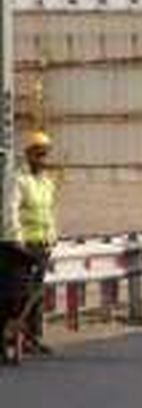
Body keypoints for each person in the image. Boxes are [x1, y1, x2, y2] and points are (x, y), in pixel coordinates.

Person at [6, 131, 58, 355]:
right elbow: (11, 211)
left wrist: (52, 237)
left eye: (45, 154)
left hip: (41, 245)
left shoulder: (47, 183)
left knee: (37, 293)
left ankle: (33, 337)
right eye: (38, 154)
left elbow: (49, 213)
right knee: (20, 294)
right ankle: (15, 336)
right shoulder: (18, 179)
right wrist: (17, 239)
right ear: (28, 155)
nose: (42, 159)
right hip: (22, 247)